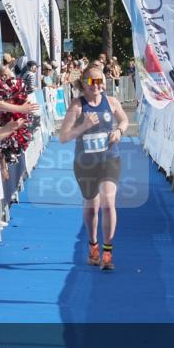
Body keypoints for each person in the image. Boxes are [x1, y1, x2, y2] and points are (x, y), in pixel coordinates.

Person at [58, 62, 130, 271]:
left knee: (108, 202)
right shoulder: (77, 106)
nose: (96, 85)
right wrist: (84, 126)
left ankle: (107, 251)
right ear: (84, 83)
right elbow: (63, 137)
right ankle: (93, 246)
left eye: (99, 81)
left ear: (104, 82)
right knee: (92, 207)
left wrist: (119, 131)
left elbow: (124, 120)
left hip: (109, 159)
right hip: (85, 164)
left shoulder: (112, 102)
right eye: (91, 81)